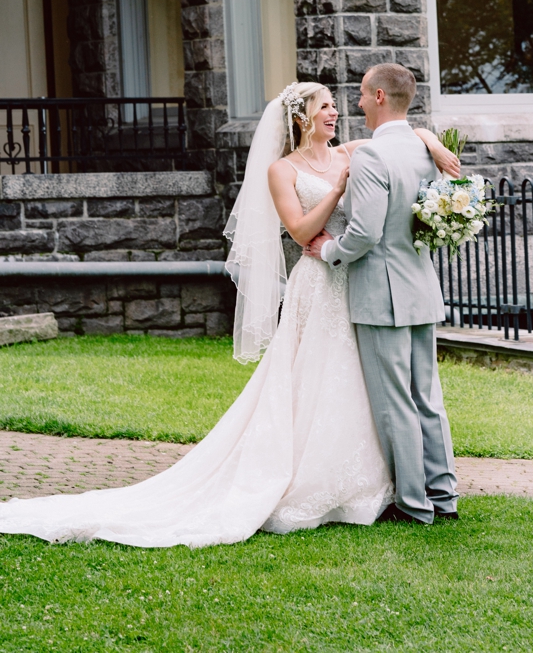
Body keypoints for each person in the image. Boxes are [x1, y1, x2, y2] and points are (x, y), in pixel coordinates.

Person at [0, 78, 460, 546]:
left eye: (338, 106)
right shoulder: (283, 170)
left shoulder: (351, 152)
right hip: (319, 279)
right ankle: (330, 481)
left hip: (355, 284)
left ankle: (382, 482)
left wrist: (432, 143)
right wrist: (337, 192)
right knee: (316, 379)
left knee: (368, 385)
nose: (336, 113)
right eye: (326, 106)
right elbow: (301, 233)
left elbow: (397, 134)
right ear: (301, 117)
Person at [307, 63, 460, 526]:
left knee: (396, 402)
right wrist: (428, 135)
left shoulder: (374, 156)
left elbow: (366, 232)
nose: (353, 103)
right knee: (427, 398)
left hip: (383, 294)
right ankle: (444, 497)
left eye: (358, 94)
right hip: (420, 288)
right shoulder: (424, 148)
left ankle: (414, 506)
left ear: (377, 96)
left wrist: (330, 250)